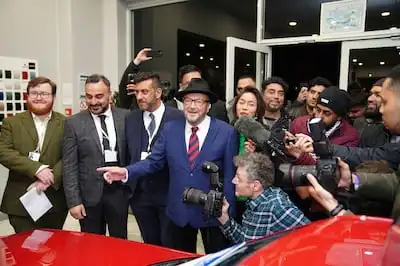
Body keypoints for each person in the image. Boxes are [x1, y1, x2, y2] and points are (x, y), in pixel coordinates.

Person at [97, 78, 237, 254]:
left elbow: (230, 176)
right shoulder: (171, 129)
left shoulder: (226, 132)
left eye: (198, 101)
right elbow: (153, 161)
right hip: (179, 212)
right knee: (180, 259)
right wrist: (126, 171)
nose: (192, 106)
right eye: (188, 101)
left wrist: (228, 214)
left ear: (208, 106)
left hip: (212, 213)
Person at [63, 74, 130, 239]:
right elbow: (69, 165)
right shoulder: (74, 123)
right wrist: (74, 201)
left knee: (120, 244)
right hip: (89, 196)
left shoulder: (126, 117)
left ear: (109, 94)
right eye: (89, 96)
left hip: (119, 193)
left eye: (99, 96)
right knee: (91, 245)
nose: (93, 102)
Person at [0, 77, 67, 232]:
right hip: (20, 200)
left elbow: (70, 155)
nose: (39, 97)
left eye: (44, 93)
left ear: (53, 97)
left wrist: (51, 177)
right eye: (34, 93)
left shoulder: (66, 123)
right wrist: (37, 169)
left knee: (53, 248)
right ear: (27, 96)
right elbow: (3, 152)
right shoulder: (12, 123)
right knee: (25, 249)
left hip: (55, 199)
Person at [125, 72, 183, 247]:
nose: (139, 97)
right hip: (140, 197)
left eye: (144, 92)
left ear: (158, 93)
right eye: (136, 92)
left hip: (168, 194)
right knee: (150, 245)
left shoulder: (178, 118)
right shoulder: (131, 118)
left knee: (171, 244)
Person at [218, 152, 309, 244]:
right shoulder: (254, 201)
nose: (233, 181)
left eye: (239, 179)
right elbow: (245, 242)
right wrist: (223, 217)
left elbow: (311, 234)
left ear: (255, 186)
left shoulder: (277, 206)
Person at [230, 87, 265, 223]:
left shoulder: (263, 135)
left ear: (257, 110)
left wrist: (253, 157)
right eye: (241, 102)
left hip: (252, 200)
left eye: (251, 104)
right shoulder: (226, 131)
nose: (244, 107)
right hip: (230, 196)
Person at [353, 78, 391, 148]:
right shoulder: (364, 126)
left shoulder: (394, 132)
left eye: (378, 95)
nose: (369, 99)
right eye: (370, 94)